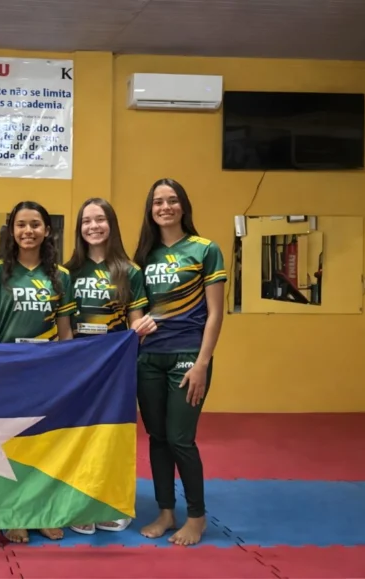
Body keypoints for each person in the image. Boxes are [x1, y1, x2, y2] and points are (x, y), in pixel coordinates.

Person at [132, 178, 227, 547]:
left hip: (187, 357)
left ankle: (197, 517)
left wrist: (202, 363)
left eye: (172, 200)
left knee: (181, 439)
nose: (165, 207)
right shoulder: (144, 256)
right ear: (151, 210)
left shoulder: (205, 249)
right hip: (148, 359)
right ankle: (166, 512)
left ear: (183, 206)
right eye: (158, 202)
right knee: (158, 438)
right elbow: (137, 309)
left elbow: (215, 313)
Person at [0, 201, 75, 544]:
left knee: (44, 444)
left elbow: (65, 328)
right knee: (11, 446)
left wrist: (67, 369)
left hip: (45, 372)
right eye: (21, 224)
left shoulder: (60, 276)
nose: (28, 231)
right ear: (12, 230)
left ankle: (42, 512)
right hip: (7, 370)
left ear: (47, 230)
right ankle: (14, 514)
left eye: (35, 224)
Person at [64, 197, 157, 536]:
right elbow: (63, 324)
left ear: (111, 225)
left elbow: (135, 323)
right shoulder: (68, 272)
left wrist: (141, 329)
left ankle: (112, 502)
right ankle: (80, 503)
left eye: (100, 219)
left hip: (114, 371)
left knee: (112, 436)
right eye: (87, 221)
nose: (93, 226)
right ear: (79, 228)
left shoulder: (129, 272)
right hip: (77, 369)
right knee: (78, 436)